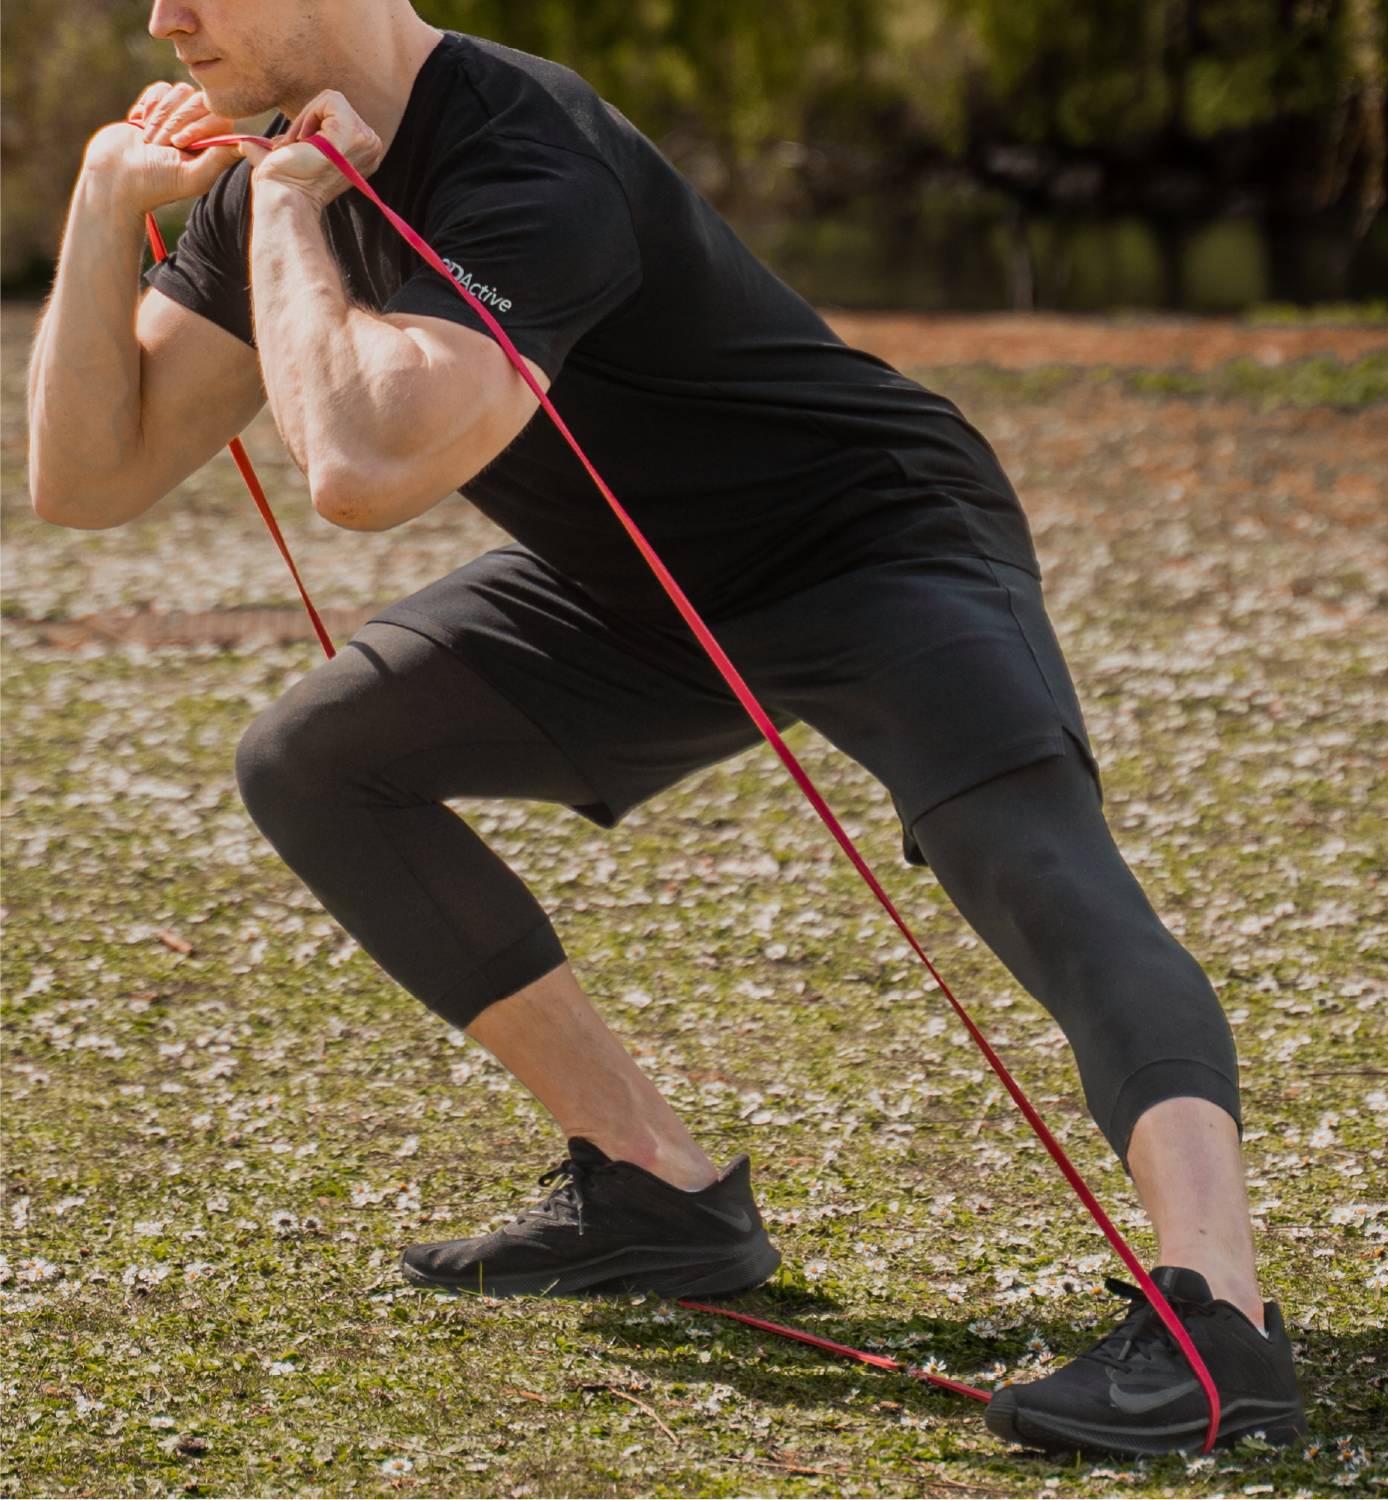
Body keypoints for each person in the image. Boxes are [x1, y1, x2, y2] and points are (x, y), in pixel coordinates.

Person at [25, 0, 1304, 1457]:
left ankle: (1221, 1321)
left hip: (867, 542)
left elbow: (366, 463)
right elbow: (85, 478)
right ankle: (657, 1192)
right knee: (317, 761)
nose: (161, 16)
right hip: (638, 594)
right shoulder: (277, 177)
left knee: (1031, 866)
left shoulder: (522, 149)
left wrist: (290, 214)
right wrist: (101, 199)